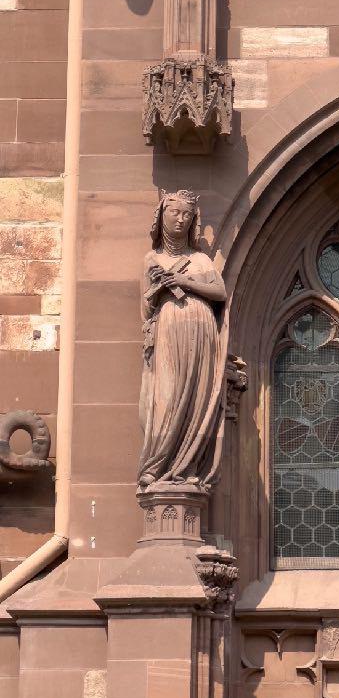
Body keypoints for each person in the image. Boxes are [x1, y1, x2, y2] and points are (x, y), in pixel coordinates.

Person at [138, 190, 227, 491]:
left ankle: (187, 464)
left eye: (187, 215)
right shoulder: (152, 259)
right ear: (161, 216)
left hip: (200, 333)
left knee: (195, 398)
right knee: (167, 395)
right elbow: (146, 309)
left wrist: (184, 281)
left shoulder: (200, 260)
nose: (181, 219)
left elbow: (220, 293)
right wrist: (157, 286)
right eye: (175, 213)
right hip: (168, 331)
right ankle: (158, 465)